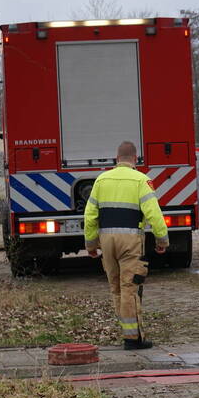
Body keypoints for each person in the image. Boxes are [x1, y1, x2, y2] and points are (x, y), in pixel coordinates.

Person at [83, 142, 168, 350]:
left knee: (116, 288)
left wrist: (91, 244)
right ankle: (133, 339)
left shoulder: (101, 180)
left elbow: (90, 215)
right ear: (135, 158)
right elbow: (153, 214)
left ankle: (126, 332)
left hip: (107, 241)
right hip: (130, 241)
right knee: (130, 287)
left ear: (116, 157)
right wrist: (162, 240)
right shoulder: (142, 180)